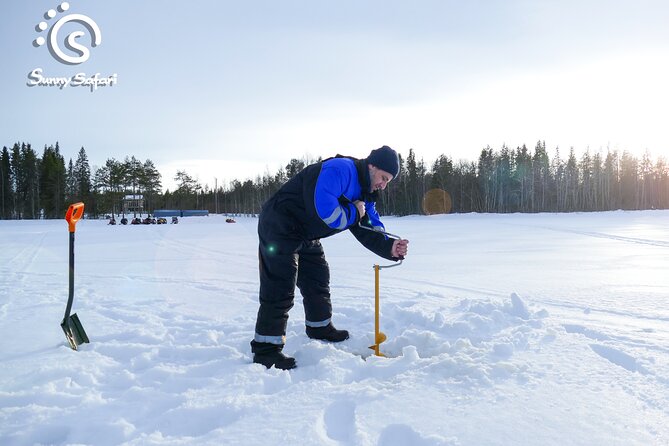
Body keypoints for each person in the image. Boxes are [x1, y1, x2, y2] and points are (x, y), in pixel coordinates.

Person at [251, 145, 410, 370]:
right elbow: (326, 213)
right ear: (372, 166)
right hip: (280, 224)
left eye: (388, 182)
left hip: (305, 231)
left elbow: (370, 225)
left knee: (317, 278)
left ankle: (319, 327)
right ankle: (266, 350)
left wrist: (390, 247)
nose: (383, 185)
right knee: (280, 286)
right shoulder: (340, 170)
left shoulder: (365, 192)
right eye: (383, 178)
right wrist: (355, 212)